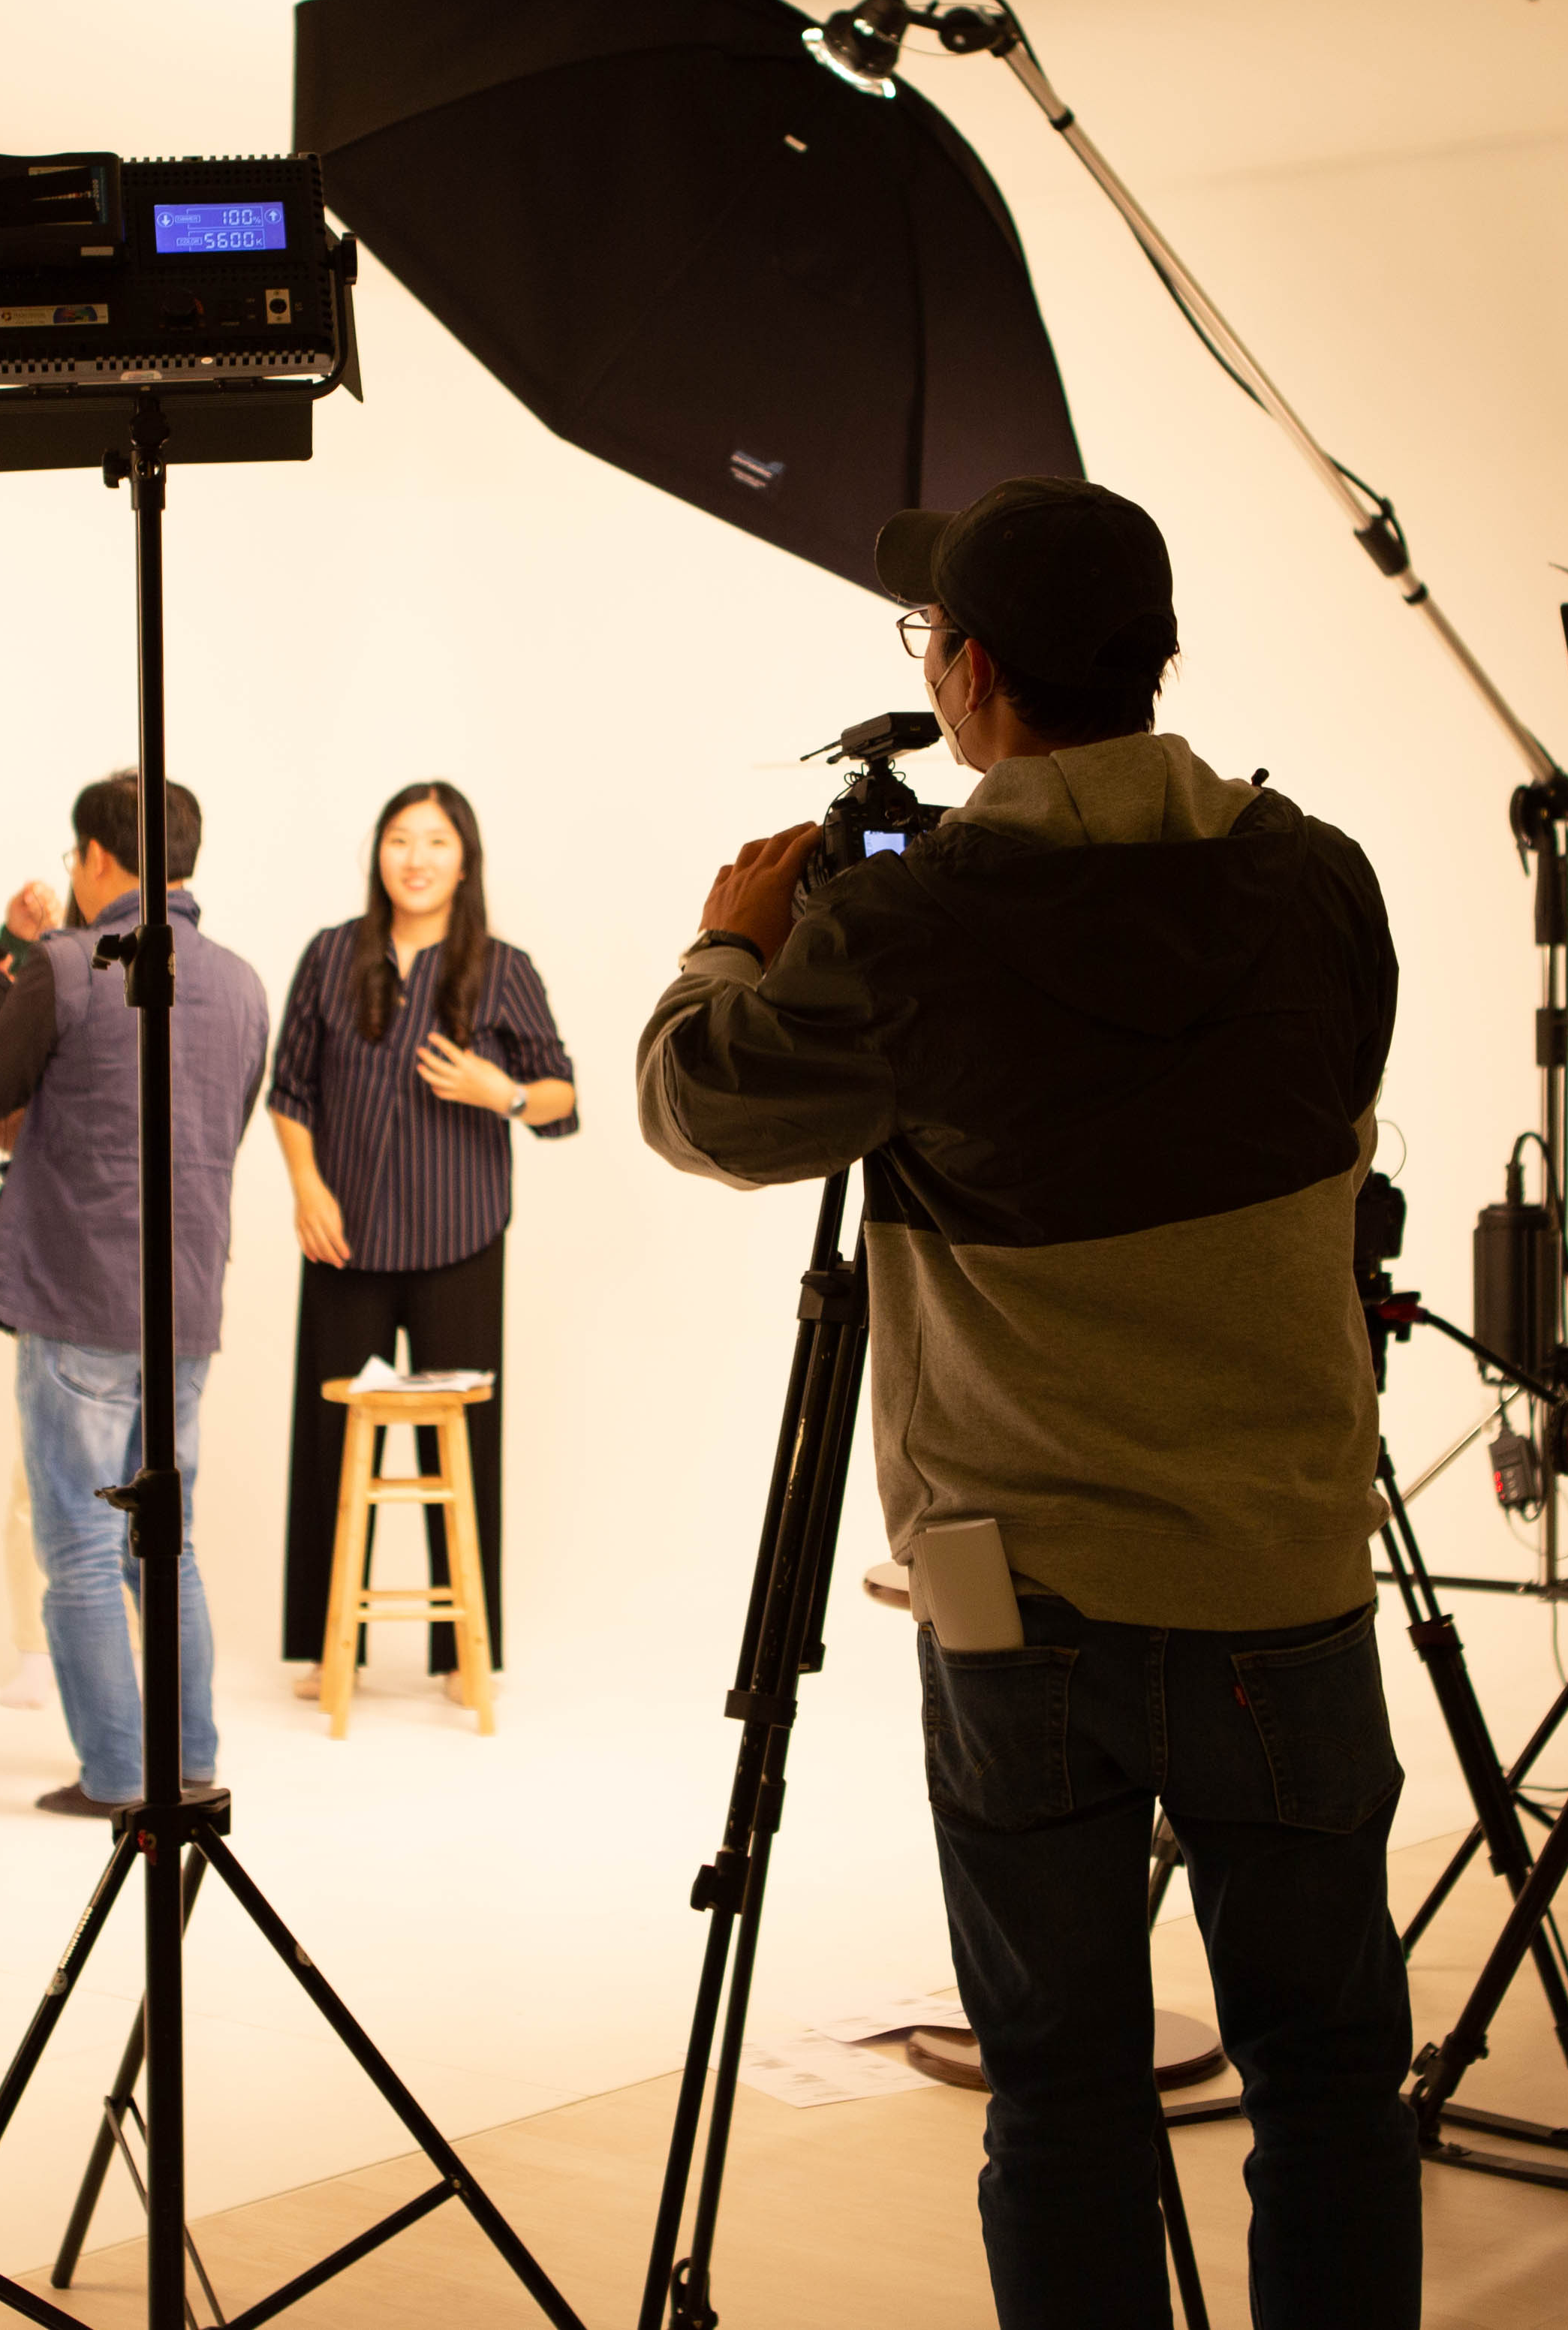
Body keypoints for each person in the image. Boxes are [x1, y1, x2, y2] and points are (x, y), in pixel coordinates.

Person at [639, 477, 1418, 2327]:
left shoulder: (906, 931)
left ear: (969, 671)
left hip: (1022, 1598)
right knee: (1328, 2080)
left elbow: (702, 1105)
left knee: (1059, 2092)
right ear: (1154, 655)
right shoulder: (1318, 881)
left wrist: (731, 939)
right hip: (1280, 1574)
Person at [0, 769, 268, 1818]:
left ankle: (118, 1776)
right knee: (164, 1544)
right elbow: (221, 1127)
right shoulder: (242, 983)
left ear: (96, 856)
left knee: (84, 1548)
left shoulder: (67, 963)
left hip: (78, 1294)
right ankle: (191, 1760)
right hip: (184, 1300)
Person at [270, 783, 577, 1702]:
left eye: (436, 841)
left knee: (466, 1448)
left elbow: (561, 1096)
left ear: (464, 859)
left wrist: (501, 1090)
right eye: (400, 839)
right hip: (344, 1240)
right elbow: (290, 1088)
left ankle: (461, 1653)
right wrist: (307, 1185)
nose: (416, 858)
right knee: (327, 1445)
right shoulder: (332, 953)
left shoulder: (503, 967)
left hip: (461, 1236)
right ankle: (328, 1646)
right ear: (378, 853)